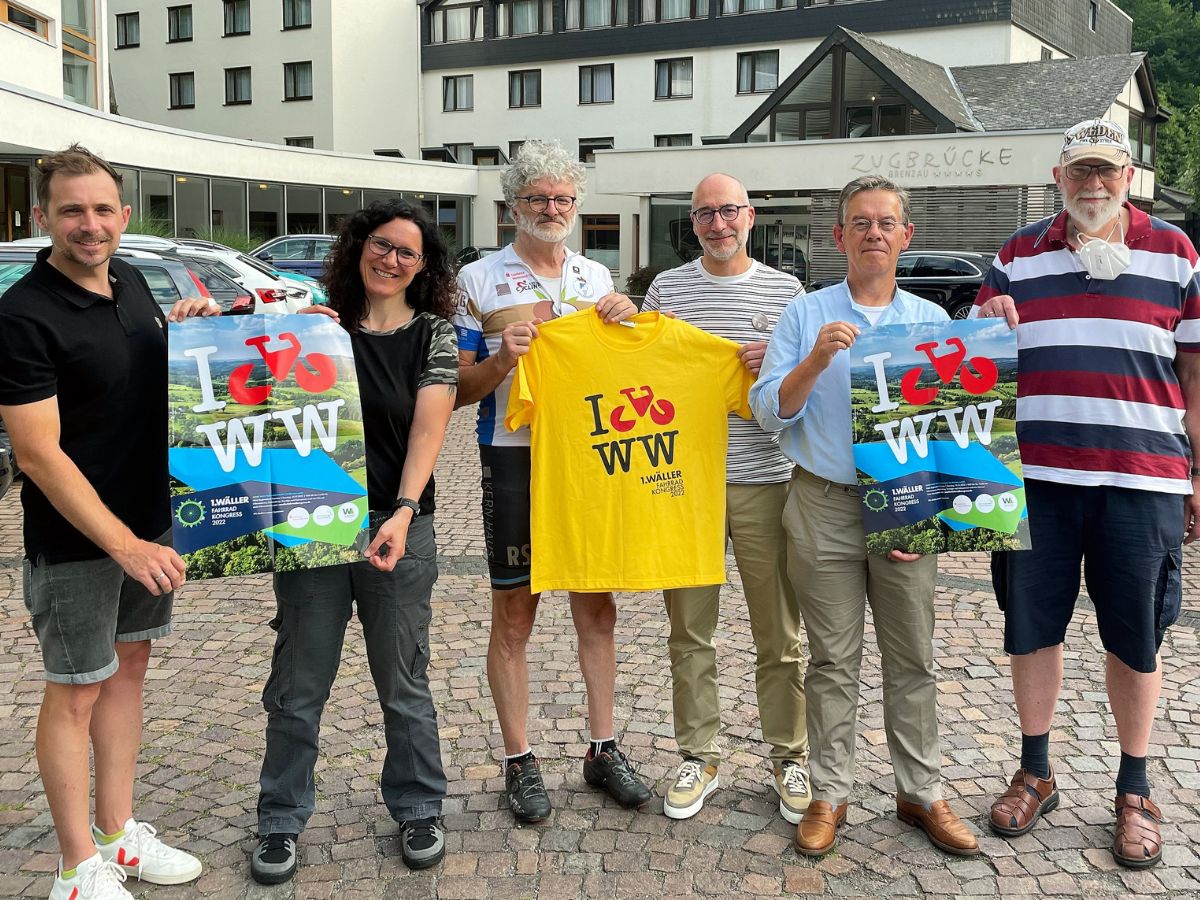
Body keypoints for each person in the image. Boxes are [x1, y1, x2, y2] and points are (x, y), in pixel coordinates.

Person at [974, 118, 1199, 869]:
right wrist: (982, 323)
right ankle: (1036, 771)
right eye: (1079, 173)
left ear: (1128, 176)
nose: (1092, 186)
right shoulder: (1014, 255)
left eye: (1106, 172)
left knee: (1136, 637)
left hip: (1141, 479)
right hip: (1032, 479)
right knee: (1030, 628)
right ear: (1057, 176)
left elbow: (1195, 378)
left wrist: (1198, 473)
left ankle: (1135, 789)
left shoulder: (1176, 253)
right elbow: (968, 369)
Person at [0, 145, 210, 900]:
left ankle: (119, 837)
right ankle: (76, 867)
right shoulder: (22, 316)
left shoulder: (133, 281)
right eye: (70, 211)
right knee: (75, 690)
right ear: (41, 218)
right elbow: (38, 453)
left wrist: (189, 332)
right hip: (80, 542)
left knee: (126, 675)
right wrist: (121, 545)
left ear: (123, 217)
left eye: (100, 211)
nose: (88, 226)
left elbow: (145, 383)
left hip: (153, 524)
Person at [750, 175, 980, 859]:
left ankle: (921, 790)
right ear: (839, 237)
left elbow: (953, 436)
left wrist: (928, 519)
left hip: (906, 506)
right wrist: (818, 358)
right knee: (830, 662)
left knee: (912, 657)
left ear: (906, 236)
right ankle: (829, 792)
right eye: (860, 223)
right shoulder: (806, 314)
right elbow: (771, 411)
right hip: (822, 502)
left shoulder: (932, 324)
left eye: (886, 223)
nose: (874, 233)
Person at [251, 200, 459, 882]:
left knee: (402, 678)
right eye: (381, 244)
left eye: (407, 251)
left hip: (399, 527)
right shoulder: (314, 325)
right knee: (298, 680)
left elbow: (429, 430)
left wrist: (401, 510)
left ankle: (418, 805)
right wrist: (205, 325)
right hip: (312, 520)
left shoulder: (433, 335)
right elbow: (239, 382)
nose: (390, 259)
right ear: (357, 247)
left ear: (423, 267)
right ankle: (280, 820)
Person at [453, 140, 651, 821]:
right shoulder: (476, 281)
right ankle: (519, 759)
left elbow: (625, 371)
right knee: (515, 612)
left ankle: (602, 748)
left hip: (591, 458)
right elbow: (454, 389)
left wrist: (626, 325)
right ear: (513, 206)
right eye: (538, 198)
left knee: (597, 608)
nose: (552, 208)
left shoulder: (597, 278)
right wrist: (501, 362)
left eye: (563, 198)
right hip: (512, 456)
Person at [642, 173, 810, 822]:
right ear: (693, 222)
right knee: (688, 631)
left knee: (780, 634)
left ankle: (789, 758)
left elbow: (808, 389)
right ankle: (699, 754)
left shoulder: (788, 291)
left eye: (729, 211)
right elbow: (644, 369)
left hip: (768, 479)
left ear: (751, 215)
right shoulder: (667, 289)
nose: (718, 224)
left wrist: (784, 362)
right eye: (706, 213)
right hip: (685, 485)